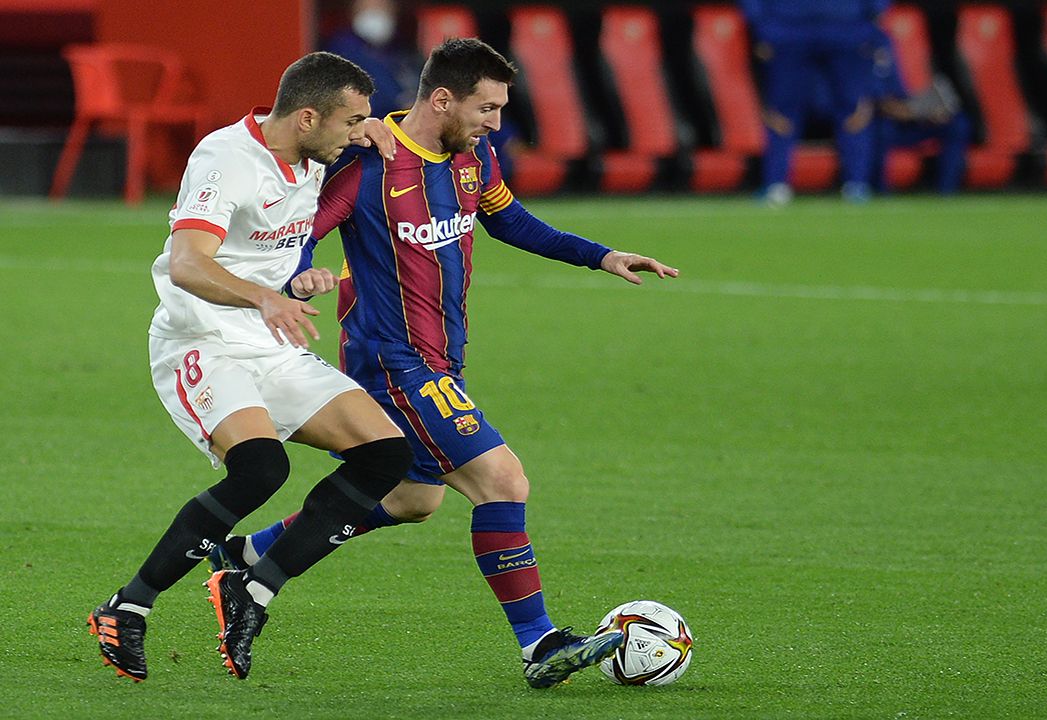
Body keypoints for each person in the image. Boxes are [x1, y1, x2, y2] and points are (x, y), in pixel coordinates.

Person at [208, 38, 680, 689]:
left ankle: (247, 561)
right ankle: (539, 643)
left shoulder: (472, 156)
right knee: (503, 480)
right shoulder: (368, 167)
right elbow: (299, 231)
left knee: (411, 499)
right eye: (486, 108)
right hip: (393, 365)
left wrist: (600, 255)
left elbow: (512, 222)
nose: (496, 123)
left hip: (440, 363)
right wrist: (294, 282)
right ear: (441, 99)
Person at [87, 52, 416, 683]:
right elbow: (188, 263)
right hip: (202, 340)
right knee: (262, 468)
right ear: (307, 116)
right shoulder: (225, 158)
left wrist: (295, 281)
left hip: (272, 336)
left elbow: (274, 249)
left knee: (384, 455)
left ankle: (255, 589)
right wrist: (265, 295)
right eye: (351, 122)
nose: (358, 134)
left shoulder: (311, 153)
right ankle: (128, 606)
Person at [740, 0, 889, 204]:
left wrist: (871, 14)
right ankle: (776, 184)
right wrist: (762, 24)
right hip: (789, 29)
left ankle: (856, 184)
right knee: (783, 109)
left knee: (853, 107)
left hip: (846, 28)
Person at [847, 28, 971, 195]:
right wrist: (915, 112)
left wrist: (937, 112)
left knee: (958, 124)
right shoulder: (878, 58)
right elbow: (880, 102)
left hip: (919, 121)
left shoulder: (927, 65)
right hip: (893, 125)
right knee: (879, 129)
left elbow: (941, 100)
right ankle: (880, 192)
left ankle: (946, 193)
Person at [324, 0, 422, 117]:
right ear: (353, 10)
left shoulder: (400, 49)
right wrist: (400, 101)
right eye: (368, 6)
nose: (375, 13)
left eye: (381, 6)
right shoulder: (341, 47)